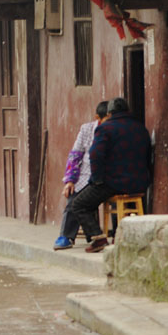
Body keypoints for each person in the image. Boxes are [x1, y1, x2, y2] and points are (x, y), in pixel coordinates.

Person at [71, 97, 152, 253]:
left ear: (109, 113)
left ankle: (98, 238)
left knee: (79, 204)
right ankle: (117, 235)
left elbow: (95, 155)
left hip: (113, 183)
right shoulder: (141, 128)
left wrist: (97, 180)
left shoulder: (105, 128)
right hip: (139, 183)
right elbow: (148, 157)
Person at [54, 100, 108, 250]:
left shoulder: (113, 132)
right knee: (73, 197)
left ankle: (99, 235)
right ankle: (66, 236)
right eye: (106, 119)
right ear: (98, 117)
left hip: (103, 178)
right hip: (84, 176)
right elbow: (75, 155)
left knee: (83, 202)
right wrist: (70, 180)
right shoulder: (86, 129)